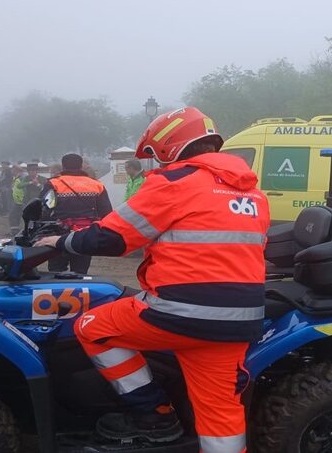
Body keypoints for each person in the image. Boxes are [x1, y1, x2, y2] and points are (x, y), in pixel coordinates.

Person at [34, 107, 269, 451]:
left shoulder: (174, 182)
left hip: (177, 313)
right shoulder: (253, 195)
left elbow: (111, 238)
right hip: (237, 321)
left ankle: (155, 414)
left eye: (158, 157)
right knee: (220, 419)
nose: (158, 165)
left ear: (170, 148)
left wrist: (59, 242)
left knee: (92, 327)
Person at [40, 153, 112, 274]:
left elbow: (43, 209)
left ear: (63, 166)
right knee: (80, 271)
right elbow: (107, 212)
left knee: (56, 271)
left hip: (58, 234)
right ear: (81, 166)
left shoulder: (53, 184)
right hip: (85, 235)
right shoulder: (96, 184)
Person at [9, 163, 43, 234]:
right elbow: (19, 185)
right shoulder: (26, 178)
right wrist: (30, 182)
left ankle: (36, 231)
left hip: (38, 202)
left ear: (37, 171)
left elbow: (44, 188)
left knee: (37, 217)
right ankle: (29, 231)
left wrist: (37, 184)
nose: (31, 172)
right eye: (30, 171)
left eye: (33, 170)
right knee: (27, 217)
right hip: (27, 201)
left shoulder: (42, 178)